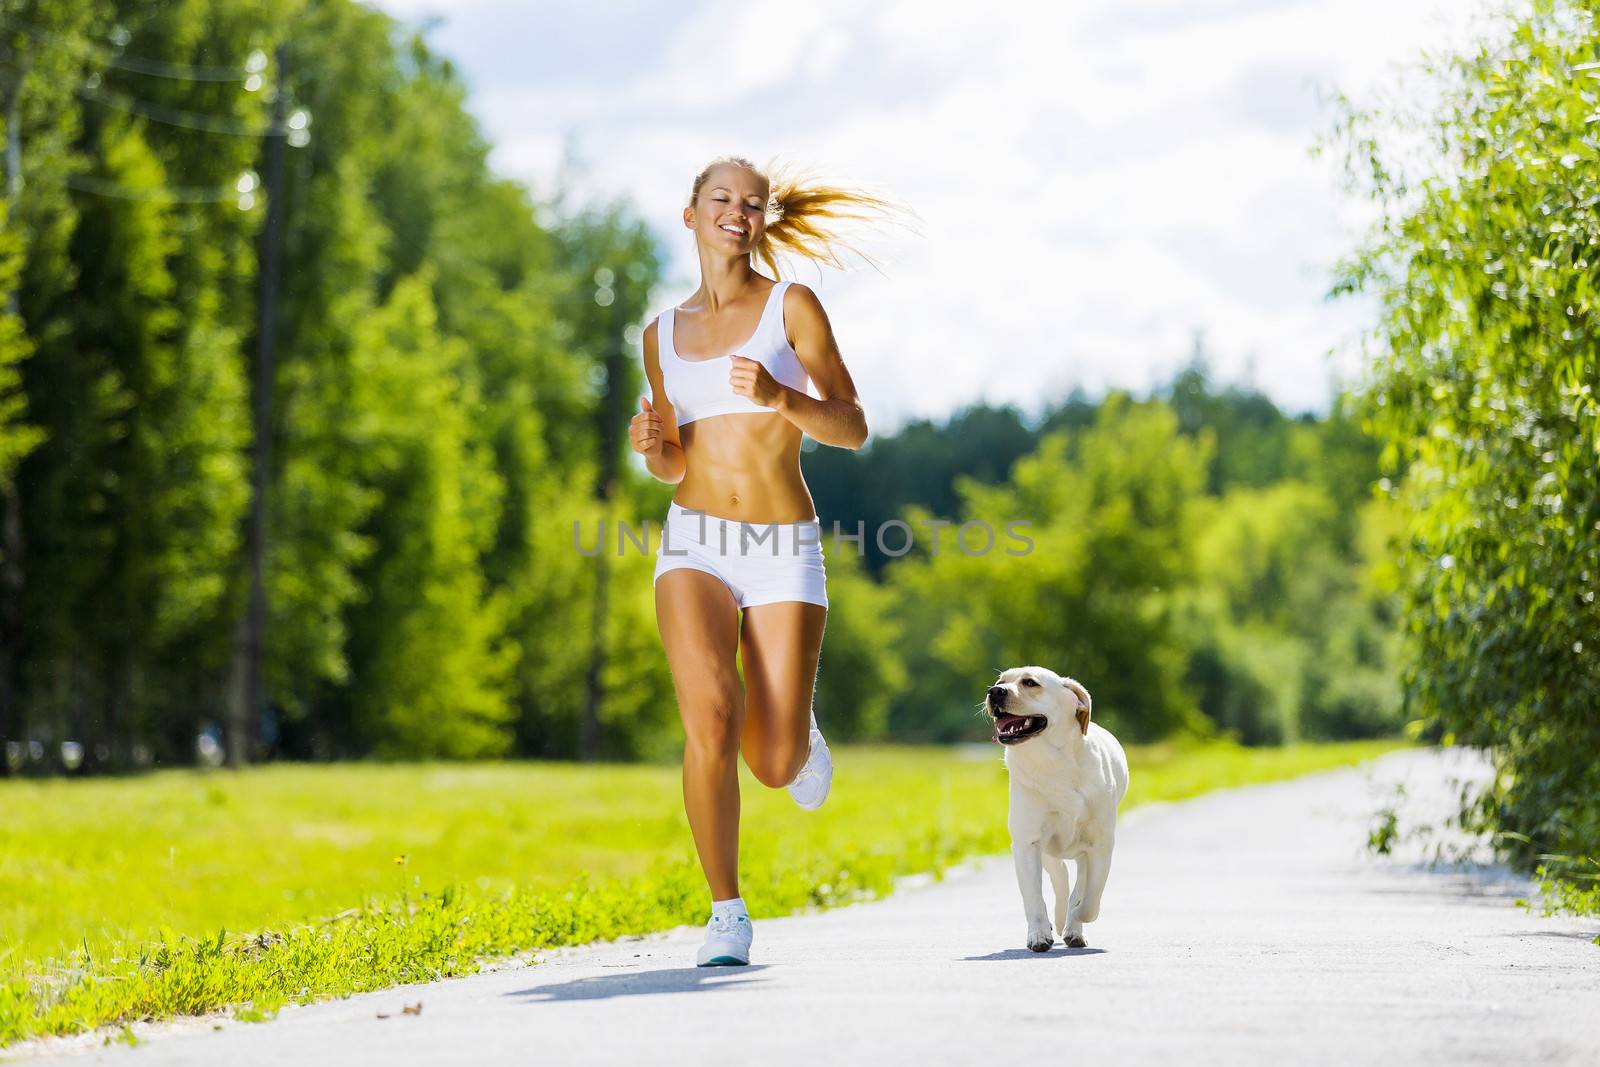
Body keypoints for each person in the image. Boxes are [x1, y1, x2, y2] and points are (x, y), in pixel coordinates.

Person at [629, 154, 916, 967]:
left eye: (752, 203)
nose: (737, 211)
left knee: (772, 759)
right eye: (721, 198)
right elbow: (674, 466)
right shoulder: (660, 335)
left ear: (762, 221)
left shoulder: (792, 306)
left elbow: (853, 425)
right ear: (691, 214)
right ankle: (726, 911)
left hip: (781, 546)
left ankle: (799, 735)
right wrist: (653, 448)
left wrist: (782, 398)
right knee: (710, 714)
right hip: (693, 542)